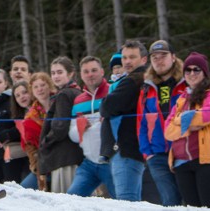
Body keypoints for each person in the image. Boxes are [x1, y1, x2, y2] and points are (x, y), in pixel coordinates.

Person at [164, 52, 210, 209]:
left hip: (209, 160)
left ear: (204, 72)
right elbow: (168, 131)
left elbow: (204, 117)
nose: (192, 73)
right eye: (188, 70)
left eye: (196, 69)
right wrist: (185, 125)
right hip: (181, 163)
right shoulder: (182, 98)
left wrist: (180, 121)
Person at [136, 40, 185, 206]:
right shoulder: (147, 87)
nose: (159, 60)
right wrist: (146, 152)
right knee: (170, 202)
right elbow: (140, 122)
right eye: (154, 57)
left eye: (163, 56)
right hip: (157, 154)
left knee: (193, 201)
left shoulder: (187, 83)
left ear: (173, 57)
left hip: (183, 151)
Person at [100, 39, 148, 201]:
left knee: (126, 202)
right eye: (125, 57)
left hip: (126, 148)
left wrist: (107, 103)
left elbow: (107, 107)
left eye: (132, 57)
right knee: (133, 201)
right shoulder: (140, 78)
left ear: (143, 59)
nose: (127, 61)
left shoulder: (133, 80)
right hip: (133, 148)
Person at [67, 56, 115, 199]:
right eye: (86, 72)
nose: (90, 74)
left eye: (94, 70)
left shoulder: (112, 92)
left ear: (102, 71)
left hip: (111, 160)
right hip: (89, 162)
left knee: (122, 202)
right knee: (71, 199)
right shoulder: (78, 101)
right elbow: (73, 136)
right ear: (81, 75)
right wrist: (82, 128)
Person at [38, 56, 83, 193]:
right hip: (74, 155)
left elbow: (60, 127)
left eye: (60, 72)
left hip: (64, 157)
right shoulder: (77, 92)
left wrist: (45, 141)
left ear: (70, 74)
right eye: (53, 73)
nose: (56, 76)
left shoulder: (64, 94)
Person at [20, 72, 55, 190]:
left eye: (42, 85)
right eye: (36, 87)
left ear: (49, 85)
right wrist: (35, 164)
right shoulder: (30, 116)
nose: (40, 89)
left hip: (60, 157)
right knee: (24, 188)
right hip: (42, 161)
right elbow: (28, 145)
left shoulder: (59, 104)